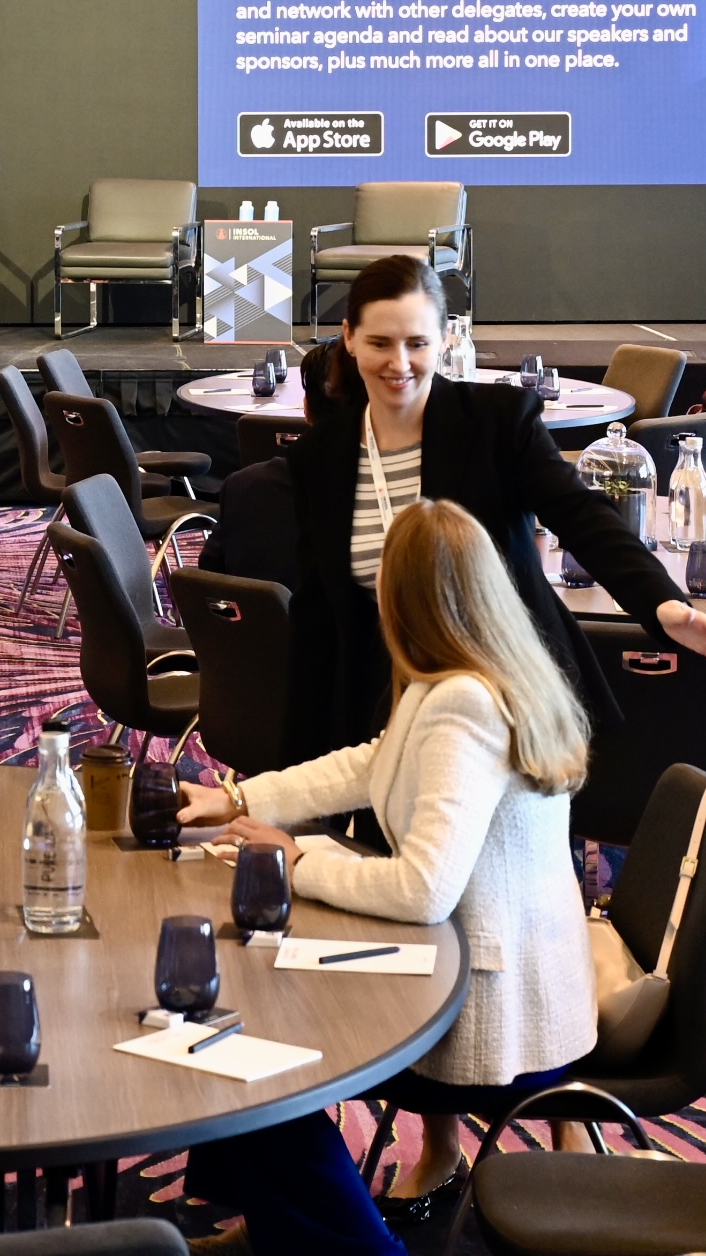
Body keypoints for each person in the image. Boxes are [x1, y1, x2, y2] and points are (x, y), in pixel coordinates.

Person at [174, 499, 599, 1249]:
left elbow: (423, 890)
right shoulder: (477, 673)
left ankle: (346, 1244)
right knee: (247, 1024)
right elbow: (371, 763)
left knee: (251, 1058)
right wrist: (238, 799)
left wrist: (299, 861)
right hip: (487, 979)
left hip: (484, 1016)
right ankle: (280, 1229)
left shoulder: (467, 704)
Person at [279, 254, 706, 769]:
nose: (400, 363)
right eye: (380, 343)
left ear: (444, 339)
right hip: (380, 699)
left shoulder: (496, 422)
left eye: (417, 343)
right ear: (348, 338)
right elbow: (318, 610)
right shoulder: (320, 457)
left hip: (505, 690)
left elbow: (582, 515)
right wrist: (292, 763)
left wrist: (662, 603)